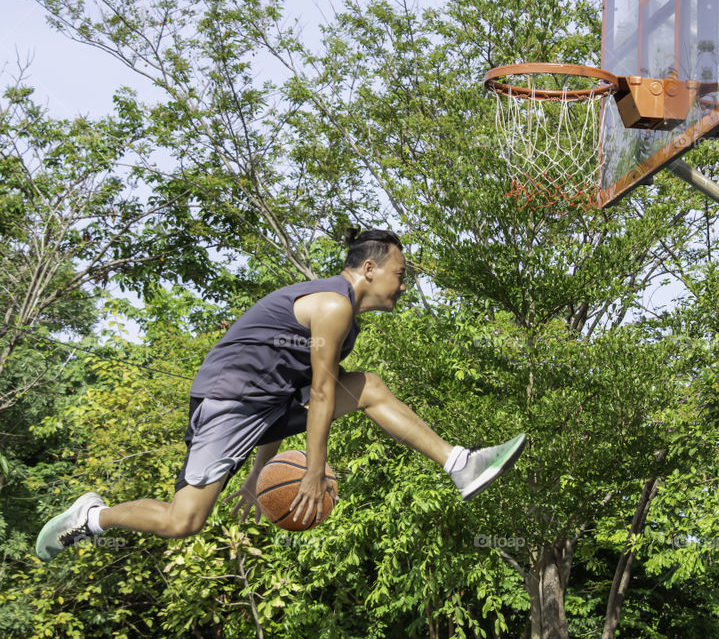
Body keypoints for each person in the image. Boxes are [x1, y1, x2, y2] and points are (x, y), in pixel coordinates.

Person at [36, 230, 525, 561]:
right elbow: (320, 395)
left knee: (370, 386)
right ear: (371, 268)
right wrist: (312, 472)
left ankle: (461, 464)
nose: (405, 285)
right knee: (182, 522)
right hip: (228, 406)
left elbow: (288, 397)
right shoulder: (334, 306)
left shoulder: (344, 320)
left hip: (261, 407)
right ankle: (91, 517)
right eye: (401, 274)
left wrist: (255, 477)